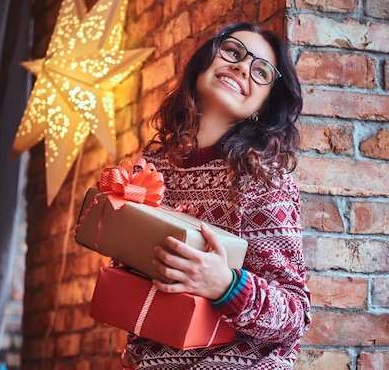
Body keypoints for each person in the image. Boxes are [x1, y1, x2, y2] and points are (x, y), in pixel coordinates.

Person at [121, 22, 310, 369]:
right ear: (204, 63)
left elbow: (295, 315)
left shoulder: (262, 178)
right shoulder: (150, 168)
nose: (241, 67)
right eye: (234, 53)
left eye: (261, 71)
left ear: (261, 106)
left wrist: (225, 285)